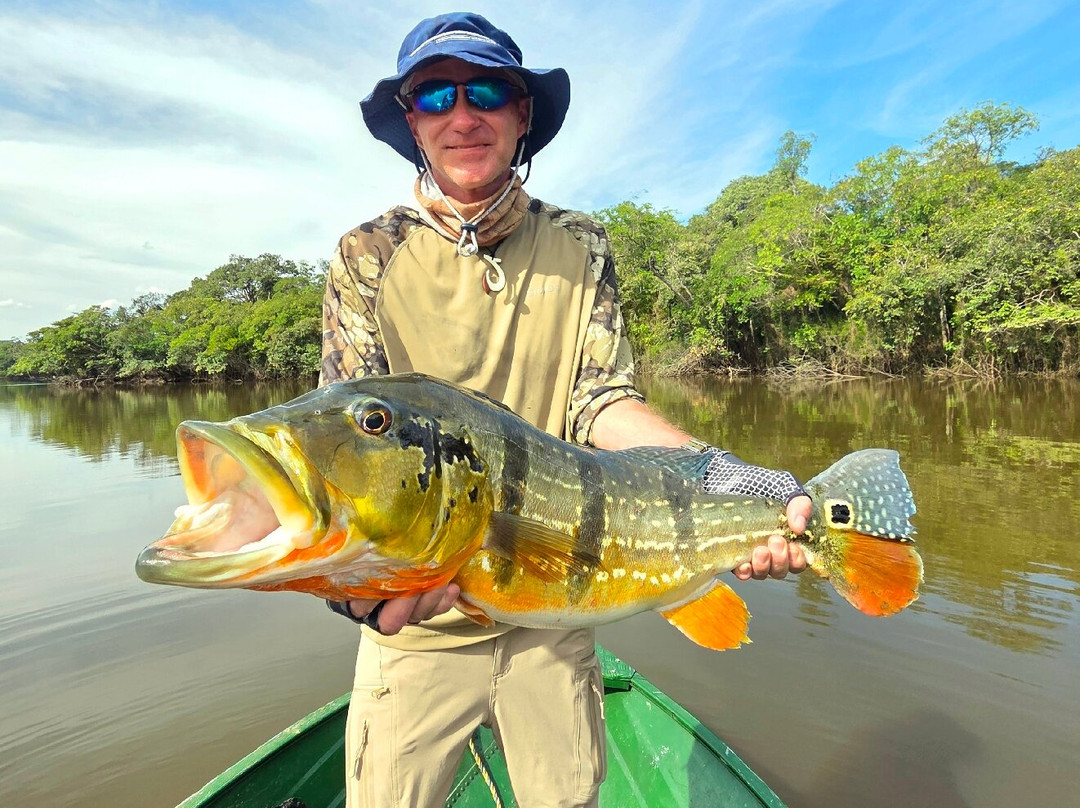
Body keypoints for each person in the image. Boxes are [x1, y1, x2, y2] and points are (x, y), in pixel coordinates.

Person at [319, 12, 810, 808]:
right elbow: (349, 434)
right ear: (412, 122)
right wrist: (351, 588)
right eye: (435, 95)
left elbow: (600, 398)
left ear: (522, 116)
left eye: (487, 90)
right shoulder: (365, 254)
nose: (463, 113)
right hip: (419, 623)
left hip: (555, 597)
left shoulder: (580, 244)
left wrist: (720, 473)